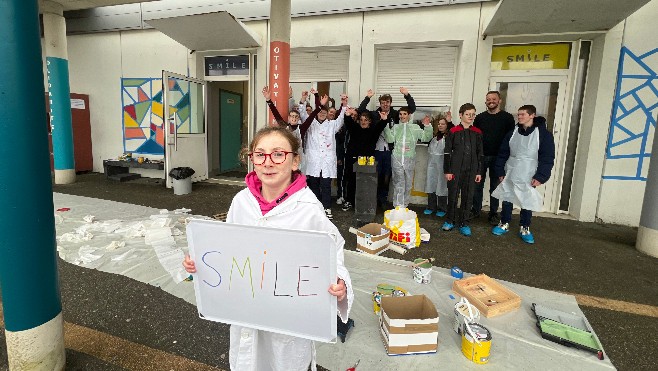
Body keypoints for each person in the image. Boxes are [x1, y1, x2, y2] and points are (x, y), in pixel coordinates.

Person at [182, 126, 353, 370]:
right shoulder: (241, 201)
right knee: (247, 362)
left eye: (278, 154)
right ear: (251, 159)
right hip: (247, 310)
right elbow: (228, 248)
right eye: (260, 154)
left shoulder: (308, 209)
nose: (267, 162)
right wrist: (200, 261)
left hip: (288, 319)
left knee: (283, 361)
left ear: (295, 161)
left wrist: (340, 284)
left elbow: (333, 252)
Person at [491, 105, 555, 244]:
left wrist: (541, 176)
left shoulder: (543, 134)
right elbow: (503, 152)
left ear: (532, 115)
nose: (519, 117)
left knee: (527, 199)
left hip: (529, 172)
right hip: (511, 169)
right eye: (518, 114)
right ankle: (504, 223)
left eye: (523, 114)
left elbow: (547, 157)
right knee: (507, 196)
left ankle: (525, 227)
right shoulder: (512, 132)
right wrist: (500, 171)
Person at [358, 87, 417, 209]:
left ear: (390, 103)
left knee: (387, 176)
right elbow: (361, 110)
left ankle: (383, 199)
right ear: (380, 103)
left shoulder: (395, 114)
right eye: (383, 102)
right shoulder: (374, 114)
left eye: (387, 102)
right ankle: (375, 200)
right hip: (376, 150)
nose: (385, 105)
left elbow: (411, 109)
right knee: (376, 175)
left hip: (390, 151)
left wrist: (407, 95)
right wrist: (367, 97)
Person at [301, 93, 348, 220]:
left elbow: (341, 119)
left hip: (327, 160)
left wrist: (344, 105)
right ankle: (316, 208)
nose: (322, 113)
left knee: (326, 185)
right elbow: (303, 114)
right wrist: (303, 100)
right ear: (316, 113)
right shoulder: (311, 124)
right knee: (314, 184)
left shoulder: (332, 124)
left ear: (327, 114)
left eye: (324, 112)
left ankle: (327, 208)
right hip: (314, 160)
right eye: (320, 111)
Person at [472, 91, 516, 225]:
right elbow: (475, 137)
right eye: (488, 99)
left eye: (494, 99)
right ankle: (475, 211)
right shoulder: (479, 118)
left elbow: (511, 138)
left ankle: (493, 213)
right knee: (477, 185)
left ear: (499, 101)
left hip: (499, 158)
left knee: (495, 187)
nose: (491, 101)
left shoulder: (507, 118)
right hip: (481, 156)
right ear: (486, 102)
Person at [262, 86, 327, 175]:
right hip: (286, 158)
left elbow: (312, 116)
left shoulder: (302, 128)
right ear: (288, 118)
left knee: (299, 179)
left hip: (299, 159)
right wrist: (268, 100)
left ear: (299, 118)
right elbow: (275, 113)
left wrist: (321, 106)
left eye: (296, 116)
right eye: (292, 116)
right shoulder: (285, 127)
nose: (294, 118)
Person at [443, 103, 483, 236]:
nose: (470, 117)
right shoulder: (453, 131)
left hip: (471, 170)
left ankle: (464, 223)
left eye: (473, 114)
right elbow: (447, 152)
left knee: (468, 196)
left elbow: (479, 153)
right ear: (460, 115)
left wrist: (478, 172)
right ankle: (450, 220)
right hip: (455, 169)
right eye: (468, 114)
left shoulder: (477, 132)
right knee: (453, 195)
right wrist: (447, 171)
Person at [383, 107, 433, 208]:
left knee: (408, 184)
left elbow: (426, 138)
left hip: (409, 159)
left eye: (404, 114)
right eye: (400, 114)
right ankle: (397, 206)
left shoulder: (415, 128)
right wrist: (385, 125)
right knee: (398, 183)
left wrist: (427, 126)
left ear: (409, 115)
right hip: (397, 158)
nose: (402, 116)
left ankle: (404, 206)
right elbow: (390, 139)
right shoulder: (396, 127)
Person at [341, 109, 389, 211]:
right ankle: (349, 201)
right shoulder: (355, 128)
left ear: (370, 121)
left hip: (366, 161)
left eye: (366, 120)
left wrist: (384, 119)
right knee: (352, 181)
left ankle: (363, 203)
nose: (363, 122)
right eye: (362, 120)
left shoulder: (373, 131)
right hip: (353, 159)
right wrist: (348, 114)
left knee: (365, 182)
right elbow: (348, 122)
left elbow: (381, 126)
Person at [424, 114, 454, 216]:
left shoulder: (449, 137)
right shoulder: (435, 137)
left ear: (447, 125)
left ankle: (442, 208)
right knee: (430, 183)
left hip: (443, 165)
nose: (440, 126)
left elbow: (453, 132)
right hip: (431, 164)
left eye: (443, 124)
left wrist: (450, 122)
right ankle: (431, 206)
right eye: (439, 124)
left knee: (442, 185)